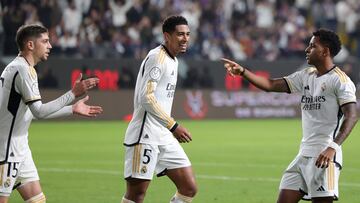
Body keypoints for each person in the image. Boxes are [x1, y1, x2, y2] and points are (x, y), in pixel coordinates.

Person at [221, 28, 358, 203]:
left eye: (312, 46)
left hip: (325, 157)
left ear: (326, 51)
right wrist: (243, 72)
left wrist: (333, 147)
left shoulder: (340, 80)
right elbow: (270, 85)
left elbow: (352, 115)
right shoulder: (306, 75)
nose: (307, 50)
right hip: (303, 155)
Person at [0, 24, 103, 203]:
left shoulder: (19, 67)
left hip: (19, 147)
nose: (50, 46)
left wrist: (72, 109)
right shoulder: (23, 70)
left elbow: (32, 113)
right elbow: (39, 112)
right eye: (45, 41)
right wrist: (72, 94)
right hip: (6, 149)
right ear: (30, 45)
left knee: (38, 200)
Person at [121, 16, 197, 203]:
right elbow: (146, 97)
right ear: (167, 36)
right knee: (136, 194)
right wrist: (173, 125)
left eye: (187, 34)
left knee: (188, 188)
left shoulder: (174, 60)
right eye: (180, 34)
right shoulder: (157, 57)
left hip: (163, 134)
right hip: (145, 134)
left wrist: (169, 128)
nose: (185, 38)